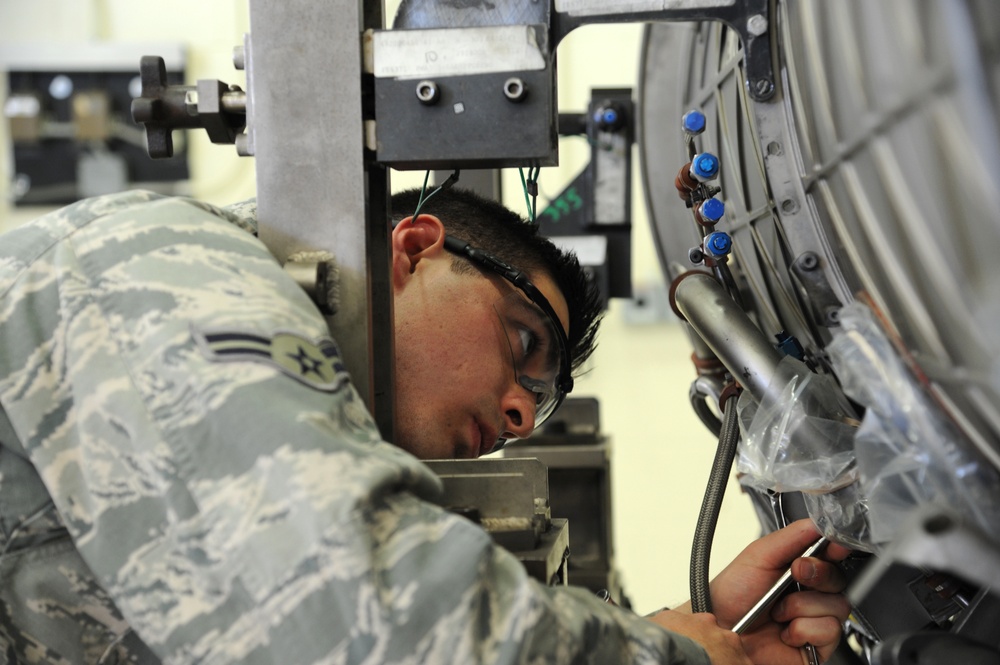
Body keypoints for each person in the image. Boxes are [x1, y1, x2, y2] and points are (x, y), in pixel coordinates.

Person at [0, 187, 850, 663]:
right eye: (523, 341)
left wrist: (692, 622)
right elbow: (354, 620)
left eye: (540, 402)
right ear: (415, 247)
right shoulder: (173, 265)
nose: (520, 413)